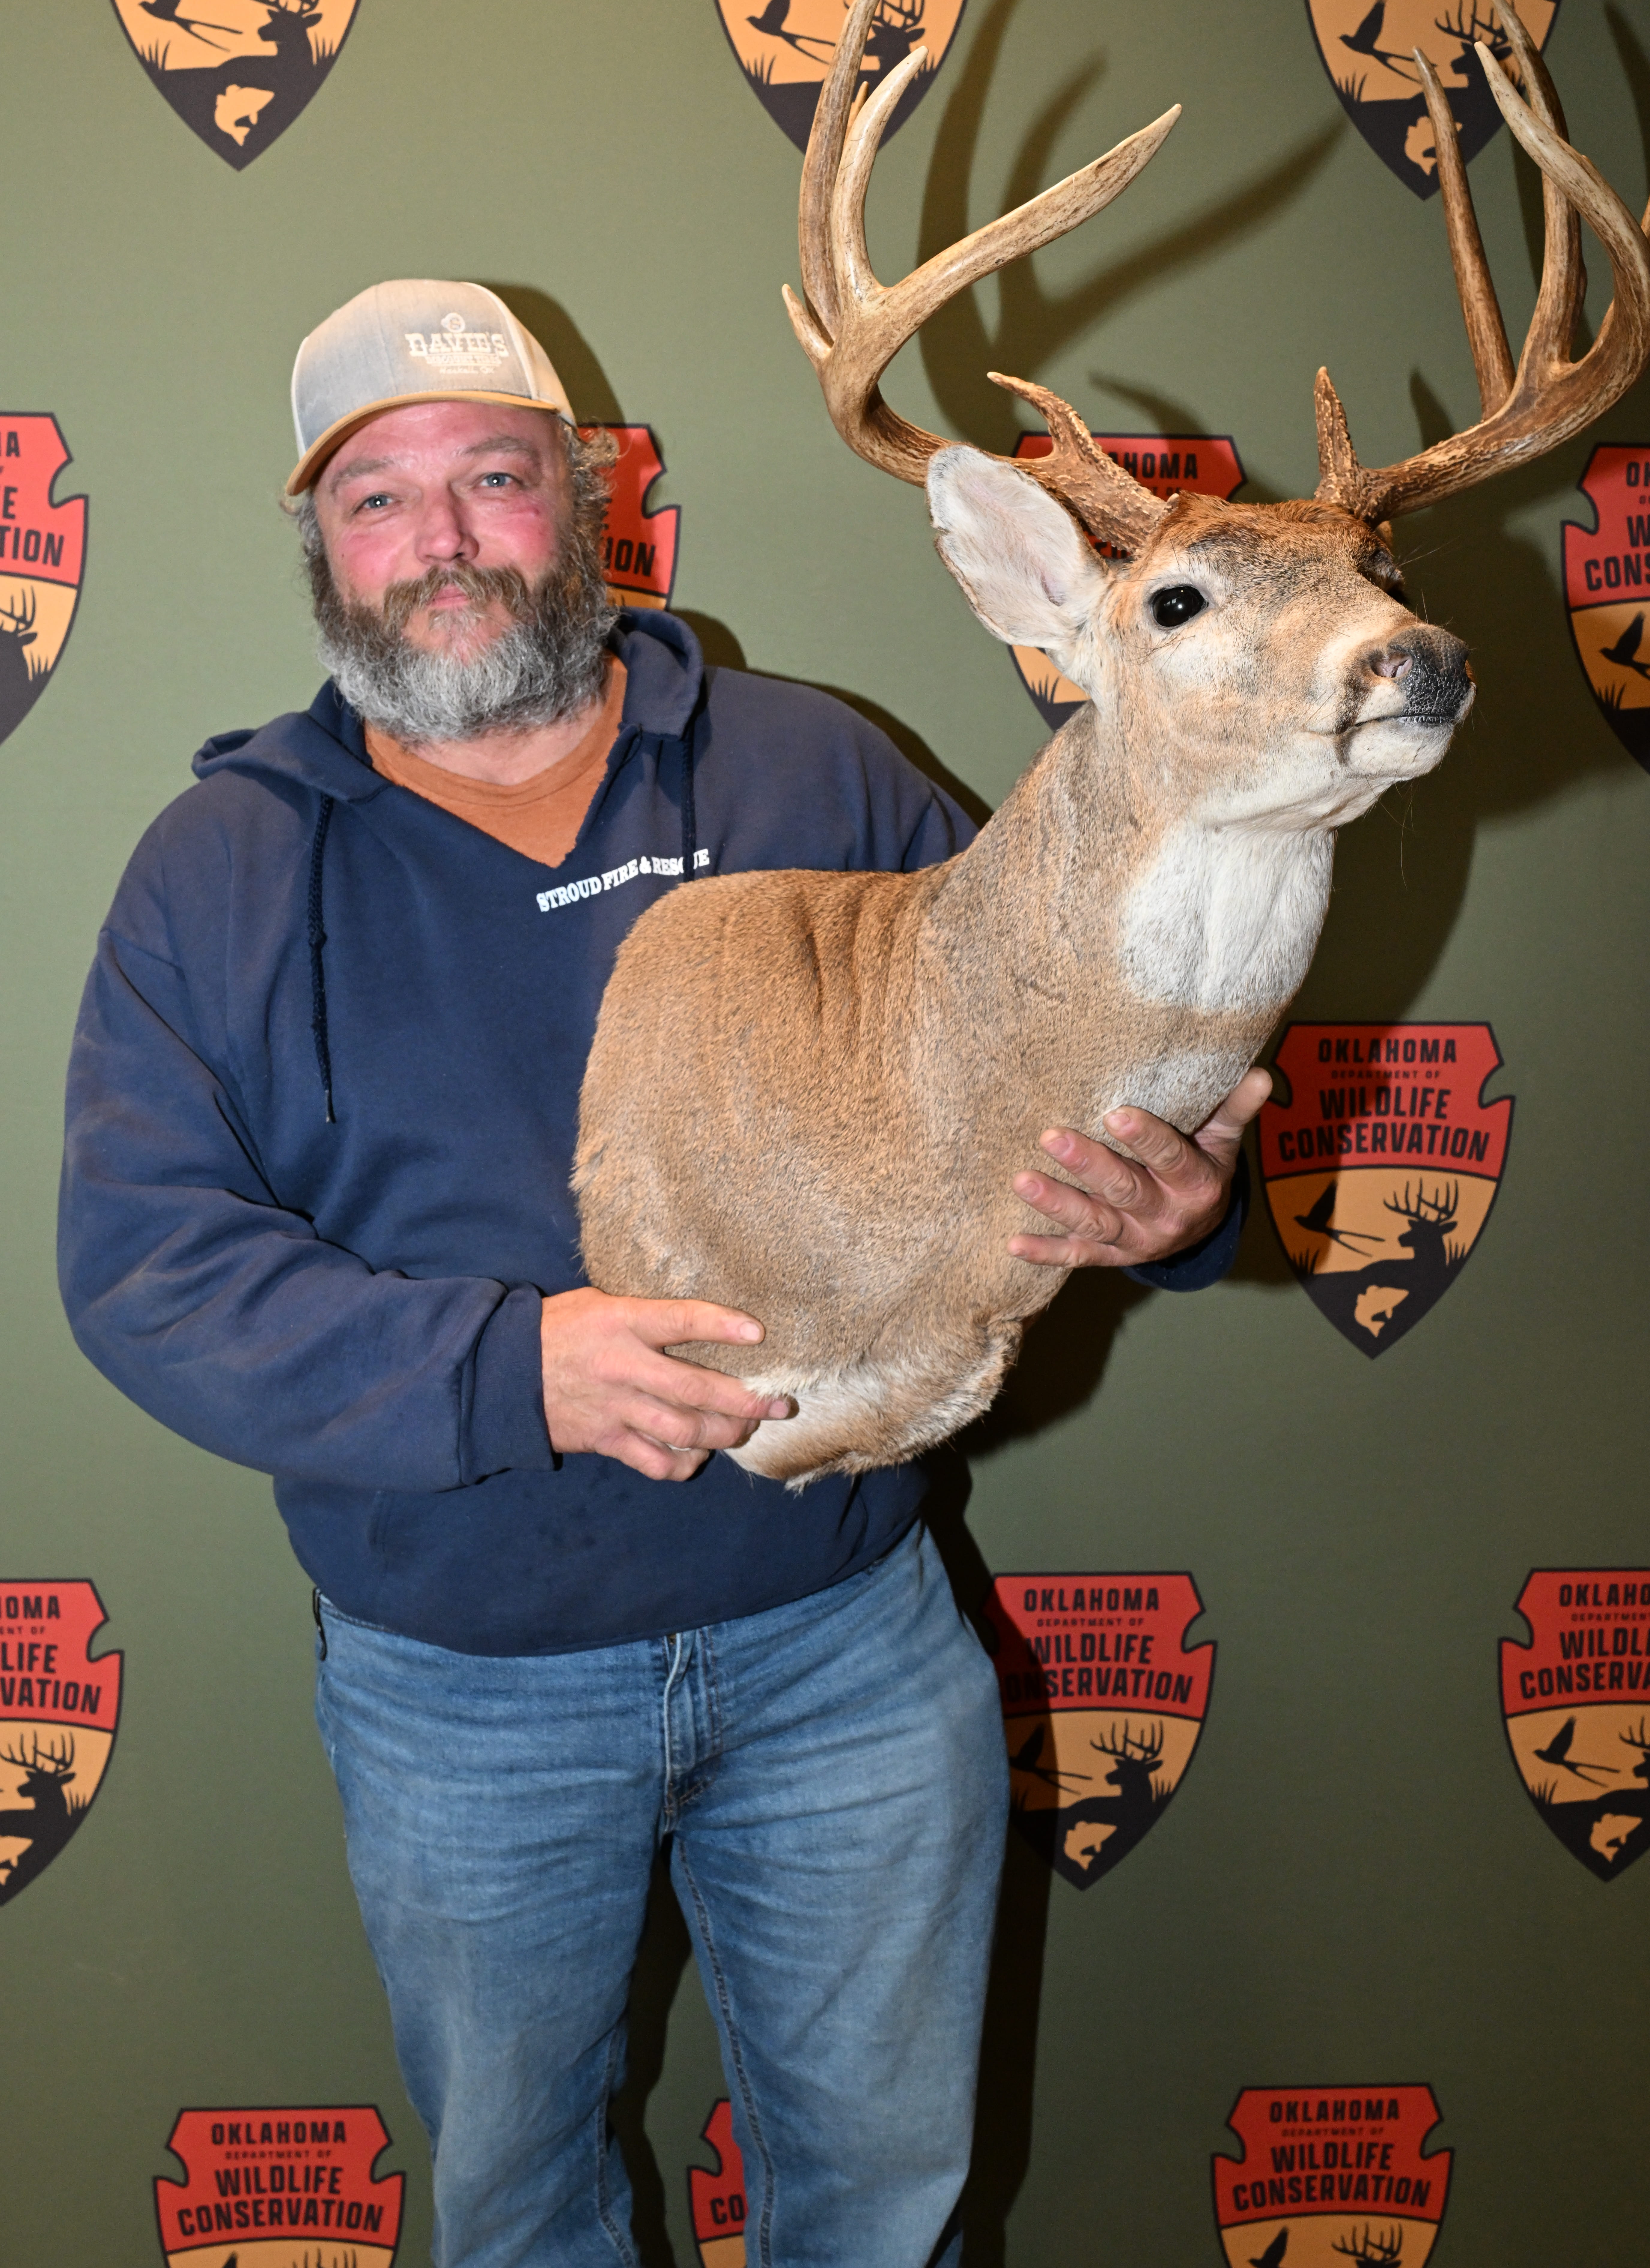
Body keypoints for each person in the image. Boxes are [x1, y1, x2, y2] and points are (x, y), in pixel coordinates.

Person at [59, 279, 1267, 2268]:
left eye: (495, 479)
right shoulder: (224, 869)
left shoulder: (819, 772)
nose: (442, 540)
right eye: (379, 499)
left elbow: (1070, 1078)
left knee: (886, 2202)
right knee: (524, 2212)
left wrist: (1181, 1203)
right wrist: (505, 1372)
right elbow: (146, 1269)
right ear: (322, 551)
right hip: (467, 1692)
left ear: (594, 499)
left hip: (847, 1647)